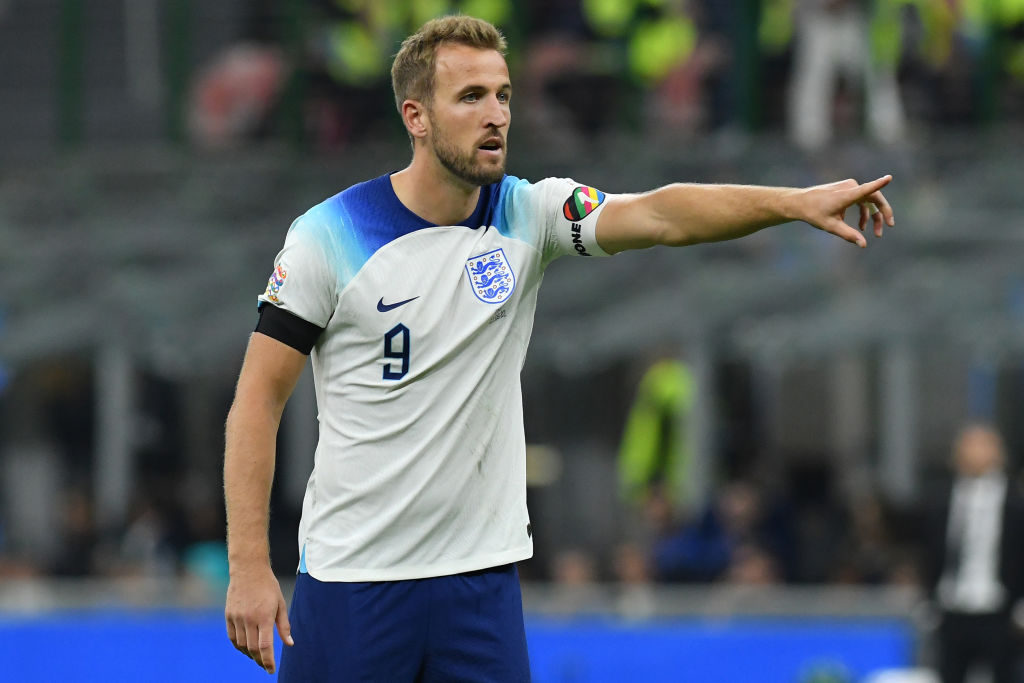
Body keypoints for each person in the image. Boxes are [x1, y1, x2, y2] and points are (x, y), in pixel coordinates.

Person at [222, 15, 895, 681]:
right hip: (355, 580)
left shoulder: (530, 212)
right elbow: (259, 397)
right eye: (471, 97)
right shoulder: (328, 235)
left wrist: (793, 201)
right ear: (416, 117)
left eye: (504, 95)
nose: (496, 115)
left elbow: (662, 213)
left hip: (479, 583)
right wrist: (250, 565)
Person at [922, 423, 1024, 683]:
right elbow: (929, 550)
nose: (976, 452)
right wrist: (928, 600)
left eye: (983, 444)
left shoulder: (1016, 500)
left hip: (1000, 611)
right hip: (952, 608)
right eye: (970, 445)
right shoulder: (940, 497)